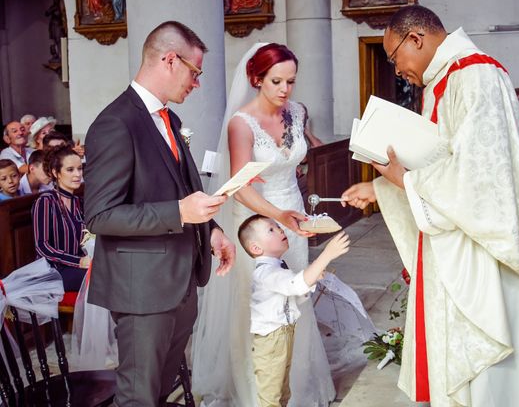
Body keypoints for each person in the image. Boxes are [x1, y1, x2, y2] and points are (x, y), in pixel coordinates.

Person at [342, 5, 519, 406]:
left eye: (396, 57)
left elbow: (481, 176)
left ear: (416, 38)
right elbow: (445, 159)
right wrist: (383, 187)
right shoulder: (445, 80)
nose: (397, 70)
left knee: (490, 343)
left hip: (485, 245)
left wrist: (402, 180)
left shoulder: (475, 75)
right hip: (459, 234)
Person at [83, 21, 235, 406]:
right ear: (170, 59)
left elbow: (184, 189)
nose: (197, 83)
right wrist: (180, 212)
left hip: (180, 282)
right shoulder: (116, 123)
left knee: (160, 391)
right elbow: (99, 216)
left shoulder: (170, 119)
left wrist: (212, 229)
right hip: (143, 292)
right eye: (195, 72)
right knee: (138, 398)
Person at [192, 43, 336, 407]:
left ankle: (298, 382)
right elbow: (239, 187)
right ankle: (254, 388)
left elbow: (298, 157)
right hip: (255, 220)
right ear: (257, 79)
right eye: (276, 81)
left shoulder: (298, 112)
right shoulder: (241, 123)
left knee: (297, 293)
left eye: (291, 81)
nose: (285, 89)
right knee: (256, 302)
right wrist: (279, 215)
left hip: (293, 210)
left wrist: (294, 209)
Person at [238, 214, 351, 407]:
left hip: (282, 336)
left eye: (277, 226)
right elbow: (295, 285)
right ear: (256, 248)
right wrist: (326, 255)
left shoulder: (277, 267)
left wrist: (313, 279)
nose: (280, 230)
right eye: (271, 230)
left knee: (282, 390)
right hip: (271, 341)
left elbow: (293, 294)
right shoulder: (266, 272)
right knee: (270, 395)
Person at [32, 145, 89, 291]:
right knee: (99, 277)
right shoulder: (45, 201)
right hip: (54, 271)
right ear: (55, 172)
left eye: (80, 169)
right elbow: (42, 247)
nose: (77, 174)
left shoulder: (79, 202)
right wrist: (79, 261)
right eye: (70, 170)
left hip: (78, 267)